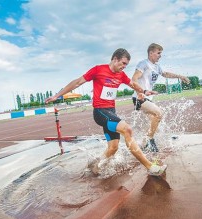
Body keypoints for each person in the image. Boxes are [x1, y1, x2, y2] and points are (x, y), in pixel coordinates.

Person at [45, 48, 167, 176]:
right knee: (127, 130)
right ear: (115, 59)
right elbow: (77, 82)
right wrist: (57, 96)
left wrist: (143, 92)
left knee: (113, 148)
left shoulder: (121, 75)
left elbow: (133, 84)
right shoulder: (98, 70)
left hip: (111, 113)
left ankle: (95, 165)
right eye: (123, 63)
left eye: (126, 65)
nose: (124, 67)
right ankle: (150, 167)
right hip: (100, 113)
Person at [132, 43, 190, 152]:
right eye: (158, 53)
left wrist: (180, 76)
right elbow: (134, 79)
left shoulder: (157, 67)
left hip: (148, 98)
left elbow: (165, 74)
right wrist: (140, 92)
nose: (160, 55)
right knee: (159, 113)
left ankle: (143, 145)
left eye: (161, 53)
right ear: (151, 53)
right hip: (139, 97)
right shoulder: (143, 64)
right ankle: (150, 140)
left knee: (154, 123)